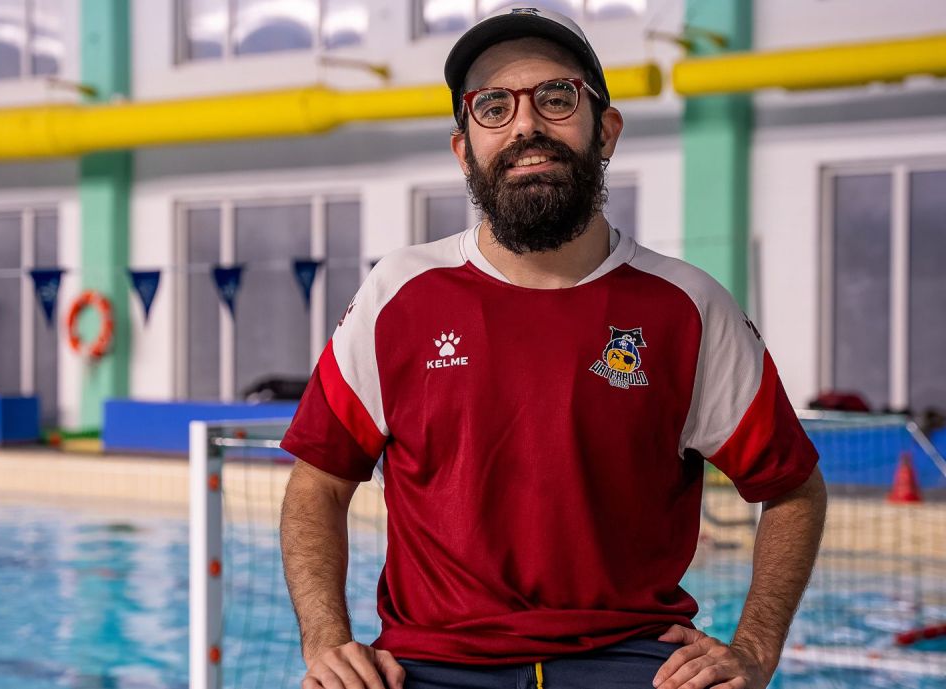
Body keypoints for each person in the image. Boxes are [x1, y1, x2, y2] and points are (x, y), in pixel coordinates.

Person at [279, 7, 828, 689]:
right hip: (429, 665)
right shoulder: (399, 294)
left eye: (557, 97)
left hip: (630, 661)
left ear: (608, 130)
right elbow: (317, 484)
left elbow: (794, 488)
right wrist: (327, 643)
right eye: (493, 106)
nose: (525, 126)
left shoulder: (686, 306)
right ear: (463, 149)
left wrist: (754, 647)